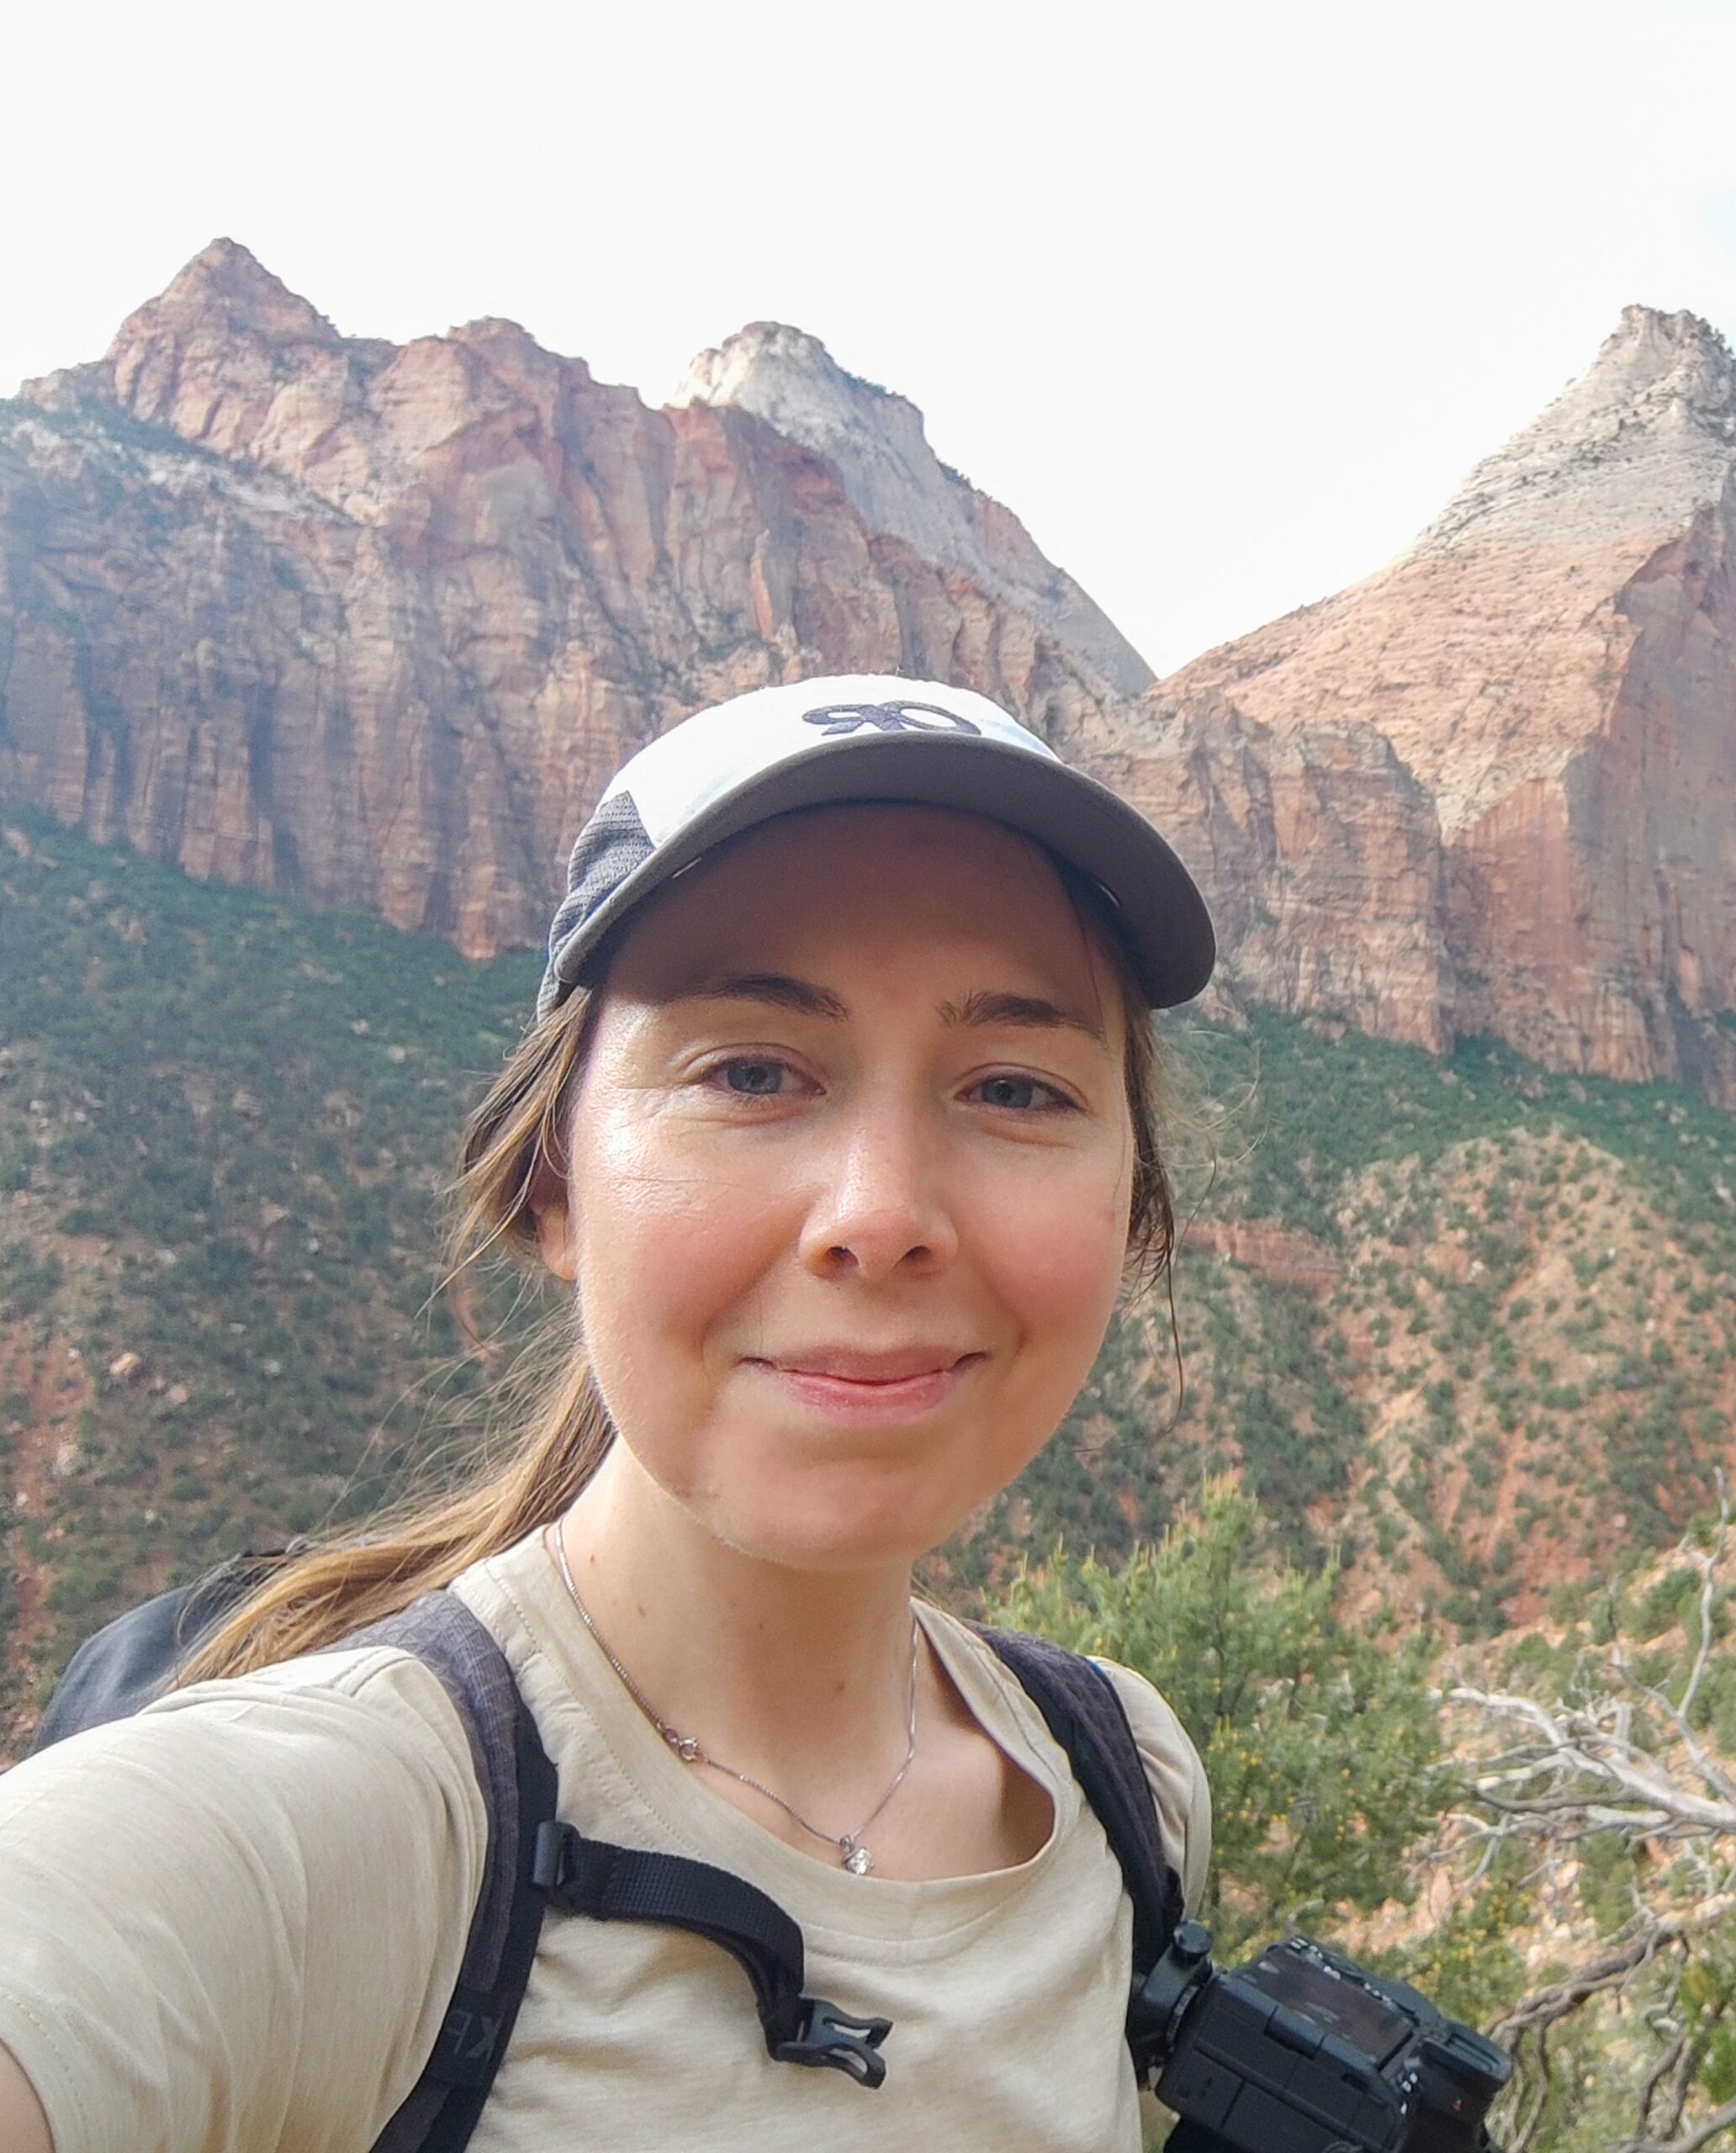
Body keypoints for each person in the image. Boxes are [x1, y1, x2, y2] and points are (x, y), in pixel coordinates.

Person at [0, 673, 1217, 2153]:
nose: (883, 1215)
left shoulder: (1123, 1789)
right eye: (753, 1070)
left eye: (1016, 1088)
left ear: (1130, 1209)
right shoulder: (322, 1844)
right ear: (554, 1183)